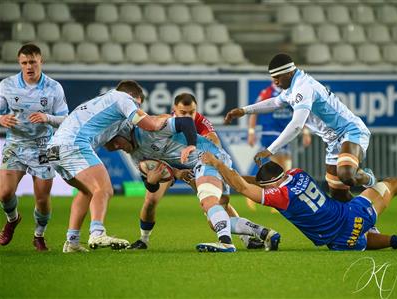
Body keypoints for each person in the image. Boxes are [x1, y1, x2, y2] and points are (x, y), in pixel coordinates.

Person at [201, 142, 397, 251]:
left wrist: (216, 164)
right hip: (355, 212)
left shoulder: (279, 196)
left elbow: (245, 188)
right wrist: (231, 176)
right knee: (392, 184)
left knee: (356, 238)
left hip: (342, 240)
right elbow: (253, 183)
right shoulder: (297, 173)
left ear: (270, 185)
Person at [105, 116, 281, 252]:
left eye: (115, 141)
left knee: (208, 200)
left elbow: (186, 122)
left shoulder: (149, 129)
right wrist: (151, 182)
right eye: (110, 145)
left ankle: (226, 243)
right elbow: (151, 184)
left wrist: (190, 145)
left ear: (124, 131)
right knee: (216, 221)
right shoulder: (136, 156)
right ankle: (266, 233)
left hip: (207, 158)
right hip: (202, 165)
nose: (115, 146)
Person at [47, 80, 177, 253]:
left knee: (87, 191)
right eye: (138, 104)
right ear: (135, 97)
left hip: (53, 150)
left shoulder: (101, 103)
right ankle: (97, 233)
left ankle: (72, 242)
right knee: (105, 189)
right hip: (74, 144)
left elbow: (109, 145)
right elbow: (148, 123)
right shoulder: (122, 98)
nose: (137, 107)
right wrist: (166, 122)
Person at [226, 53, 375, 202]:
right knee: (339, 196)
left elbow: (297, 125)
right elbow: (275, 103)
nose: (275, 82)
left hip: (350, 130)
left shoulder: (303, 87)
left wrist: (270, 150)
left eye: (278, 77)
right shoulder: (292, 88)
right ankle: (365, 223)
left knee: (346, 175)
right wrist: (244, 110)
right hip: (332, 141)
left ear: (290, 72)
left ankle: (369, 179)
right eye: (273, 78)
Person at [126, 93, 265, 250]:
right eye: (183, 113)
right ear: (174, 111)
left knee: (217, 203)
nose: (189, 116)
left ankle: (246, 238)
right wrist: (173, 172)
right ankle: (143, 239)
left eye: (192, 112)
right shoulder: (165, 121)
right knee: (150, 201)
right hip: (167, 166)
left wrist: (213, 162)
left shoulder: (200, 121)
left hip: (193, 165)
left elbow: (214, 141)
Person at [0, 43, 68, 251]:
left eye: (33, 62)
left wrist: (47, 118)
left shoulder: (54, 87)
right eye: (24, 63)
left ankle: (39, 235)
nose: (29, 66)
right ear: (20, 63)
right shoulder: (7, 85)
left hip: (44, 147)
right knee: (4, 193)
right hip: (15, 145)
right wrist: (1, 118)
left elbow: (65, 118)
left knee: (42, 198)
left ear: (41, 62)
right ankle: (13, 219)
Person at [247, 81, 312, 171]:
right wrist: (251, 132)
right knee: (281, 165)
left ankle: (278, 183)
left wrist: (306, 132)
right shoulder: (267, 92)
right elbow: (254, 111)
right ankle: (280, 182)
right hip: (270, 132)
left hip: (285, 133)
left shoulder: (292, 93)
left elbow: (300, 113)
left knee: (285, 165)